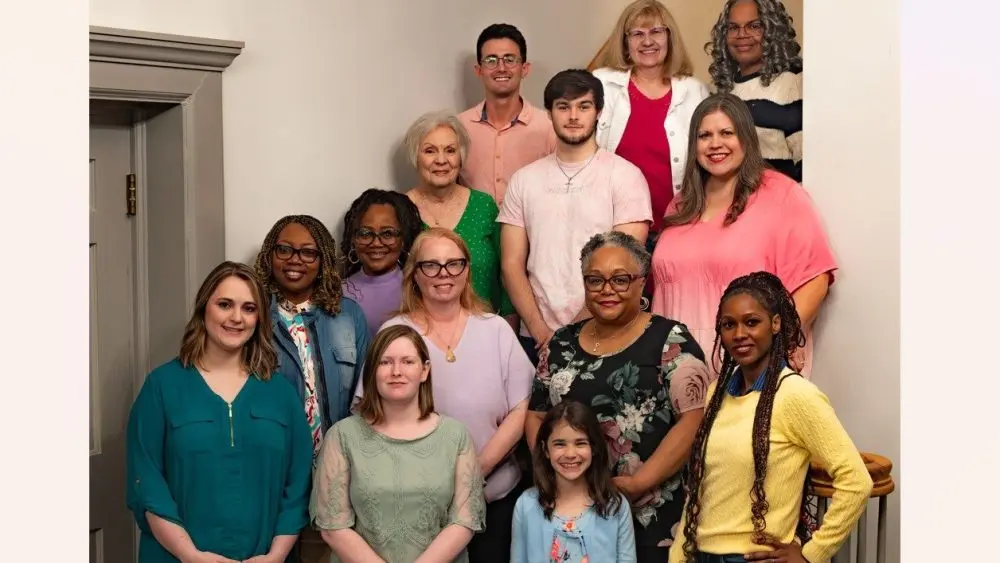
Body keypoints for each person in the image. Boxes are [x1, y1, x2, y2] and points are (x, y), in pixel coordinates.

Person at [525, 232, 711, 562]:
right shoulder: (561, 344)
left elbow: (695, 418)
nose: (607, 290)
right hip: (577, 513)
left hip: (652, 515)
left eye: (620, 279)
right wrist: (554, 474)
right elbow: (538, 414)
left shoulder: (670, 339)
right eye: (595, 280)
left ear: (642, 283)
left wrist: (640, 482)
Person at [357, 227, 535, 563]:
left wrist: (474, 471)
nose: (444, 274)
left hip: (492, 496)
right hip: (416, 505)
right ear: (414, 275)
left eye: (454, 264)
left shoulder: (495, 329)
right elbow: (372, 414)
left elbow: (521, 408)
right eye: (431, 265)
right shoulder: (396, 333)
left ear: (467, 270)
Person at [667, 272, 872, 563]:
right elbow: (703, 485)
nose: (739, 334)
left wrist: (812, 554)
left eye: (752, 322)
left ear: (775, 324)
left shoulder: (795, 395)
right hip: (700, 554)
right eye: (729, 325)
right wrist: (678, 556)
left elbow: (856, 481)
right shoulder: (717, 393)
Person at [126, 261, 313, 563]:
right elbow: (146, 484)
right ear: (204, 309)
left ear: (260, 319)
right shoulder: (162, 387)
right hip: (176, 557)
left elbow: (298, 484)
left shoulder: (280, 393)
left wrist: (276, 556)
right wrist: (191, 556)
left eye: (249, 308)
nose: (236, 318)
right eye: (225, 304)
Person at [650, 94, 835, 377]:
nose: (715, 144)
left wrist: (771, 351)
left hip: (748, 371)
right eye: (704, 135)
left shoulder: (782, 195)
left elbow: (815, 280)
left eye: (727, 133)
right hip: (674, 372)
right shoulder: (681, 203)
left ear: (746, 138)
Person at [498, 69, 652, 366]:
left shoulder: (625, 177)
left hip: (607, 331)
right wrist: (541, 331)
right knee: (537, 414)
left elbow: (626, 268)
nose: (573, 115)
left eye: (583, 106)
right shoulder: (524, 180)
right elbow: (511, 264)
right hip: (536, 336)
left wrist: (572, 332)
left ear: (599, 113)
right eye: (563, 106)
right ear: (549, 113)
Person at [311, 324, 487, 563]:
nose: (396, 371)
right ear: (372, 371)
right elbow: (333, 526)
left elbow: (464, 521)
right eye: (385, 362)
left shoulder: (456, 436)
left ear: (424, 371)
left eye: (408, 362)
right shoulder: (342, 436)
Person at [254, 214, 371, 563]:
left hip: (335, 472)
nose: (295, 260)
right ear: (269, 255)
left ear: (323, 261)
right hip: (274, 473)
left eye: (308, 253)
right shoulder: (252, 317)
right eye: (285, 250)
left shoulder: (349, 316)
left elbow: (365, 398)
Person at [588, 0, 709, 237]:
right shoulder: (602, 83)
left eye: (656, 32)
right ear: (625, 42)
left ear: (669, 37)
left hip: (679, 227)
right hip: (613, 227)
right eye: (637, 34)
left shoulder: (694, 91)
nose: (647, 41)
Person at [404, 110, 512, 318]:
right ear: (415, 156)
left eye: (450, 150)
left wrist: (508, 327)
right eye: (430, 151)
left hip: (484, 328)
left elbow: (506, 272)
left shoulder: (484, 206)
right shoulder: (400, 209)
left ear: (461, 157)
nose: (441, 160)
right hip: (422, 333)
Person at [511, 401, 637, 563]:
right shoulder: (526, 505)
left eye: (580, 443)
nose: (570, 454)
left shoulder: (615, 506)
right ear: (545, 450)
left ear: (594, 448)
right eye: (560, 444)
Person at [458, 23, 557, 208]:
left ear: (524, 69)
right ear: (478, 70)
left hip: (532, 233)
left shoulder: (549, 127)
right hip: (475, 235)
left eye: (510, 59)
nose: (501, 68)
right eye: (491, 60)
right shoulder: (459, 128)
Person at [707, 0, 803, 182]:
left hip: (782, 204)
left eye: (755, 26)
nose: (742, 35)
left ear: (773, 30)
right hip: (735, 205)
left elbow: (809, 166)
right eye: (733, 27)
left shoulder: (793, 83)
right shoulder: (721, 89)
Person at [339, 188, 423, 338]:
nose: (376, 243)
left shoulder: (419, 288)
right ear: (353, 239)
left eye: (388, 234)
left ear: (403, 239)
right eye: (365, 233)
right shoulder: (338, 293)